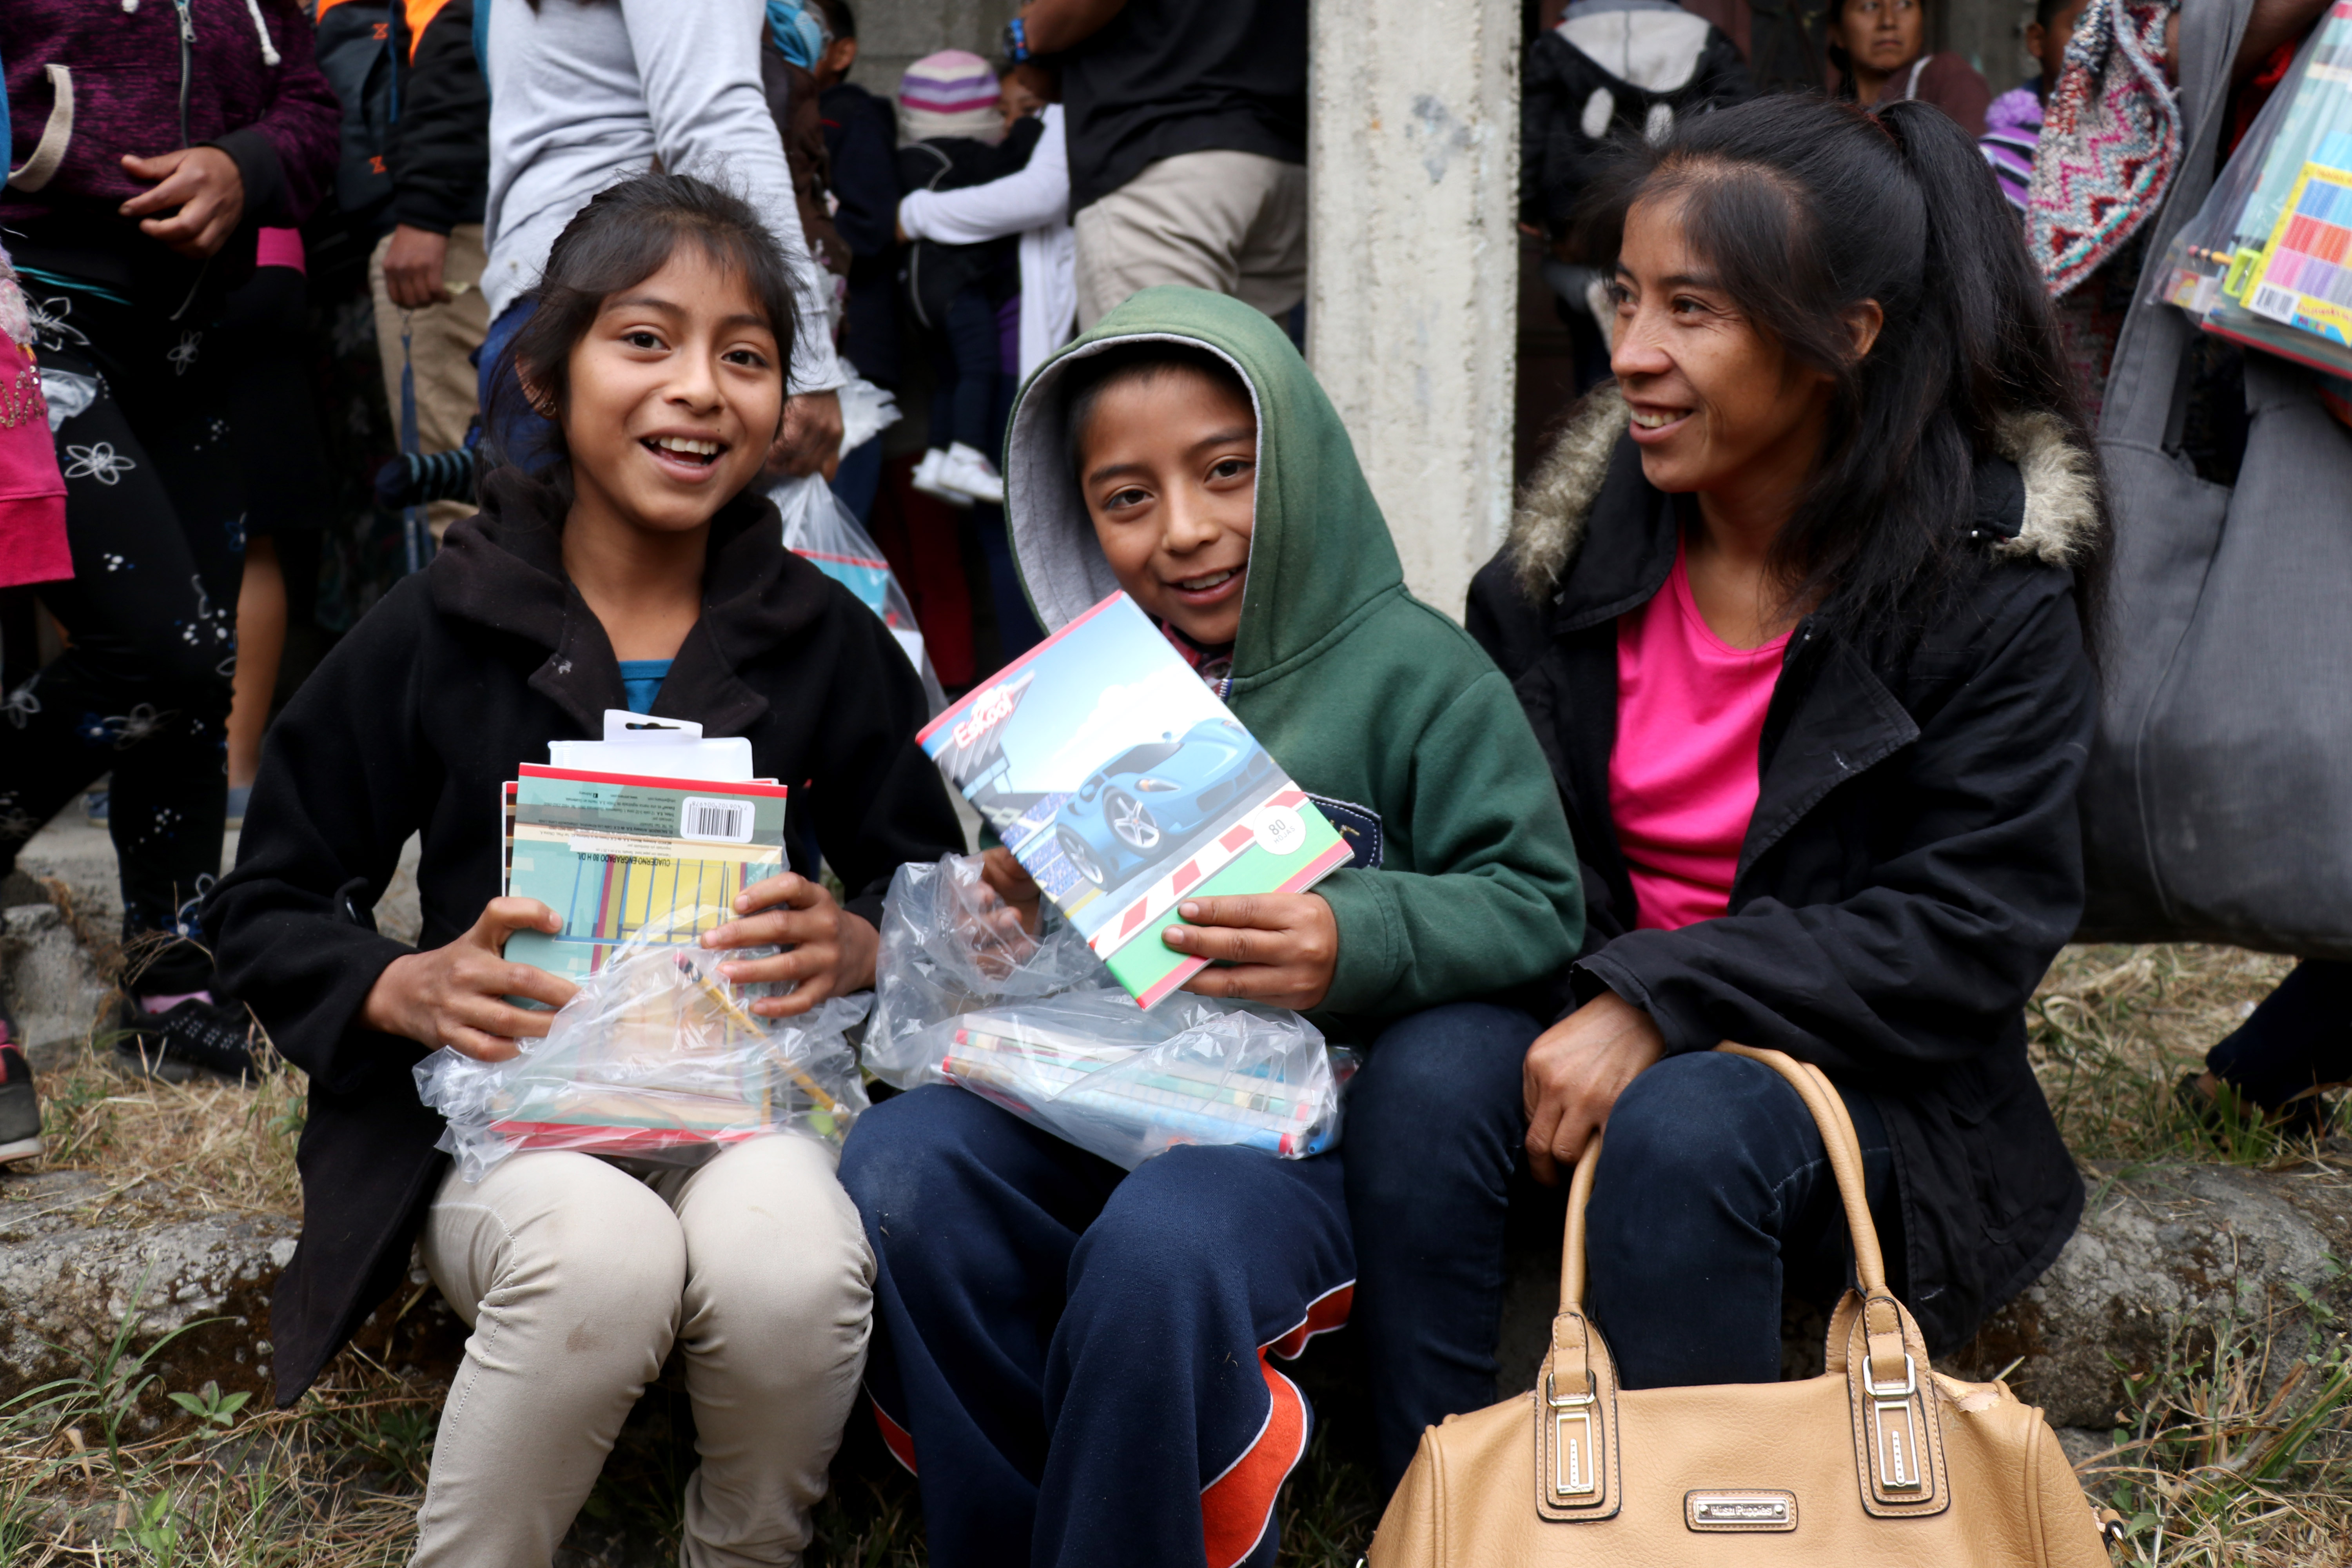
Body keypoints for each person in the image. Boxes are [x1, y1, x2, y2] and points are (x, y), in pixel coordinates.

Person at [206, 174, 966, 1565]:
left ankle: (740, 1548)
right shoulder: (444, 620)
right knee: (605, 1256)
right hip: (501, 1142)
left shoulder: (828, 641)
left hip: (741, 1116)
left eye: (745, 356)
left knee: (795, 1259)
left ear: (784, 408)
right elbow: (263, 902)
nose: (698, 388)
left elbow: (936, 890)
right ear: (547, 380)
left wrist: (861, 942)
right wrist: (406, 985)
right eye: (647, 340)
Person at [838, 287, 1586, 1568]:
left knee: (1165, 1243)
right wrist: (1019, 911)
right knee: (904, 1170)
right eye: (1127, 500)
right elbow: (1066, 935)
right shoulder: (1094, 695)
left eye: (1228, 473)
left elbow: (1537, 901)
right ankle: (1015, 1528)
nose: (1185, 533)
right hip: (1099, 1103)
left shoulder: (1420, 677)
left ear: (1298, 459)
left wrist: (1351, 939)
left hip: (1306, 1150)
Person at [1437, 93, 2105, 1491]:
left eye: (1694, 310)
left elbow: (1972, 924)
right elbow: (1469, 796)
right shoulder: (1574, 557)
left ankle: (1700, 1522)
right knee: (1424, 1090)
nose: (1629, 353)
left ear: (1841, 340)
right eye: (1622, 296)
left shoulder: (1984, 597)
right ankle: (1436, 1506)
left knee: (1689, 1128)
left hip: (1874, 1080)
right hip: (1590, 1003)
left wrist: (1665, 998)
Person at [0, 0, 339, 1079]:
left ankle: (171, 974)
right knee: (160, 646)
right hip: (34, 306)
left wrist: (244, 165)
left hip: (198, 341)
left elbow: (312, 111)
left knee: (201, 674)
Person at [477, 0, 845, 477]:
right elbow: (716, 122)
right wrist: (806, 366)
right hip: (628, 292)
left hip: (559, 301)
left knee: (546, 546)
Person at [1002, 0, 1308, 330]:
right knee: (1248, 375)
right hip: (1279, 153)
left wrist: (1024, 37)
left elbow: (1059, 31)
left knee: (1153, 374)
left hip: (1162, 158)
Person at [370, 0, 493, 540]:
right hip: (482, 217)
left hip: (461, 229)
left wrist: (424, 212)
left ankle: (482, 622)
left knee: (460, 493)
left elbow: (458, 48)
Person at [894, 49, 1036, 509]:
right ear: (984, 116)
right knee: (980, 368)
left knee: (950, 376)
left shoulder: (909, 158)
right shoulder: (971, 157)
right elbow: (1021, 175)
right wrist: (1034, 126)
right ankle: (968, 455)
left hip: (915, 294)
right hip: (959, 286)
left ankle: (936, 459)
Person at [810, 0, 902, 522]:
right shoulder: (773, 112)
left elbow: (870, 229)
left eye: (806, 26)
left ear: (843, 52)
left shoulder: (852, 115)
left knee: (837, 521)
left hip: (855, 354)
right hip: (811, 353)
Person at [1827, 0, 1993, 136]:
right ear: (1838, 32)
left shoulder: (1950, 77)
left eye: (1904, 4)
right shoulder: (1831, 109)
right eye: (1871, 6)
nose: (1888, 22)